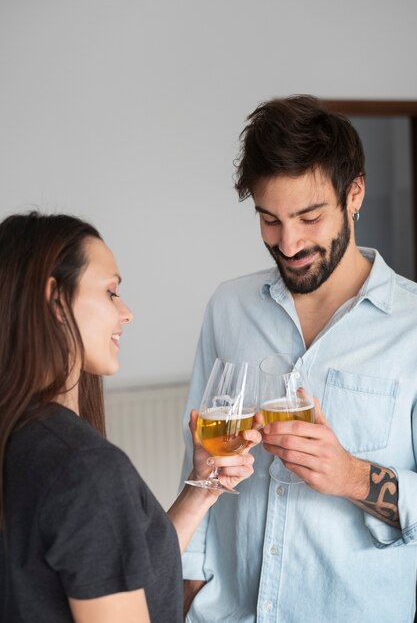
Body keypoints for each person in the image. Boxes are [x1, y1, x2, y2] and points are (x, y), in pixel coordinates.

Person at [181, 95, 417, 622]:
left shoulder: (412, 329)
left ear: (354, 193)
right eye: (270, 220)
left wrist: (353, 476)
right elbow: (194, 466)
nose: (288, 244)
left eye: (309, 218)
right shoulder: (229, 306)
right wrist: (190, 594)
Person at [0, 211, 261, 623]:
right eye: (111, 292)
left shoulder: (21, 436)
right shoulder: (85, 469)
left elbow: (114, 571)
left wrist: (203, 489)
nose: (127, 313)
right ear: (55, 299)